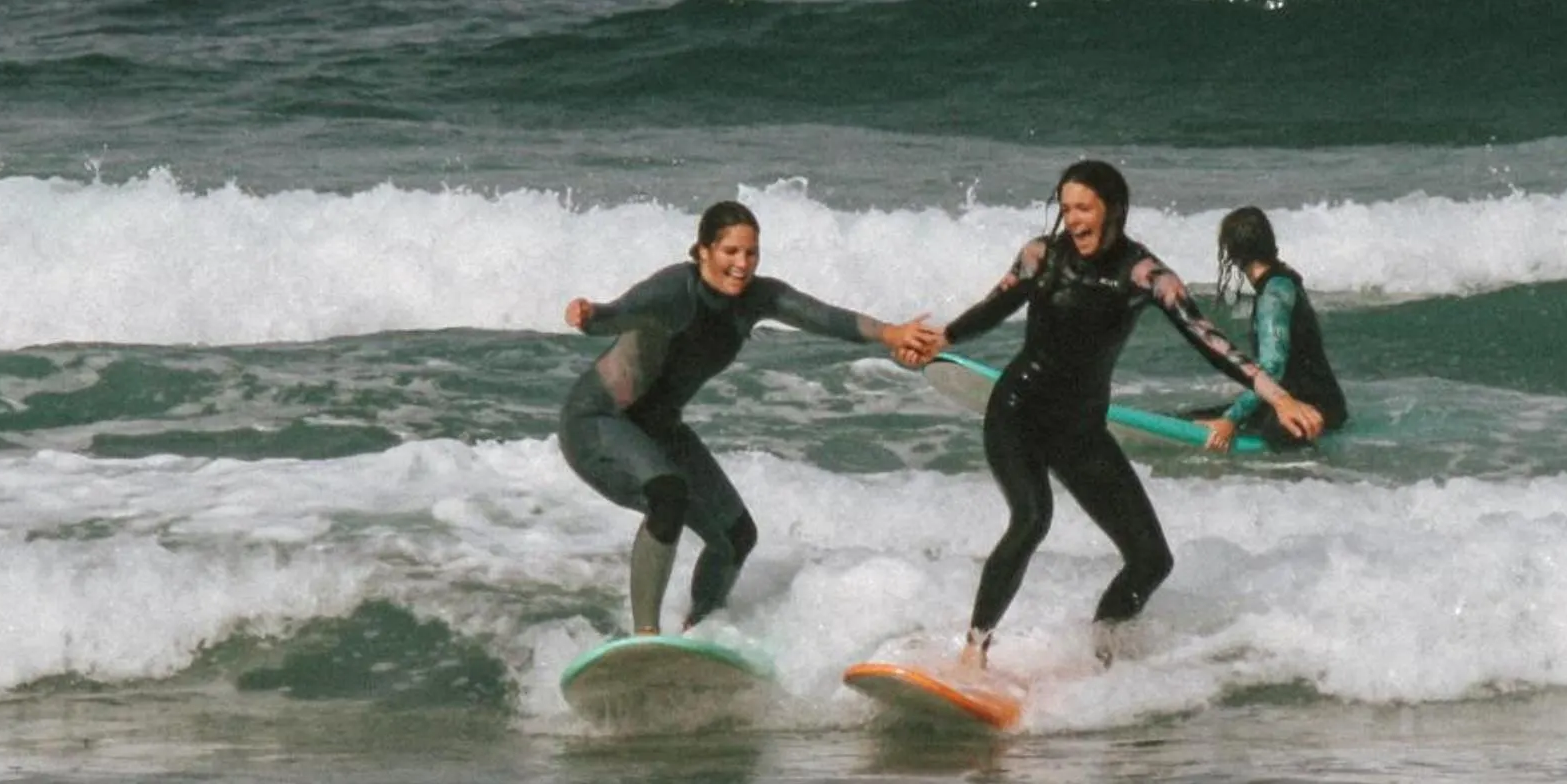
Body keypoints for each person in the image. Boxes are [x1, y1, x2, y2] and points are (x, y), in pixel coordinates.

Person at [933, 160, 1325, 663]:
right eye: (1066, 208)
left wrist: (1278, 396)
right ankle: (975, 648)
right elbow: (991, 309)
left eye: (1084, 208)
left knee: (1150, 559)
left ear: (1114, 210)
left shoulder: (1146, 275)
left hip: (1080, 428)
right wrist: (941, 338)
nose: (1073, 220)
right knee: (1032, 518)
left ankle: (1101, 654)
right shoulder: (1040, 256)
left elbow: (1209, 341)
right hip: (1018, 410)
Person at [562, 201, 938, 635]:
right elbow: (621, 312)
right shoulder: (673, 291)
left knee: (736, 538)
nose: (742, 264)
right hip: (598, 421)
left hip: (659, 429)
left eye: (751, 253)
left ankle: (699, 631)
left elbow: (822, 316)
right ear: (703, 250)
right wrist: (590, 316)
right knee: (669, 496)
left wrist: (891, 334)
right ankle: (644, 637)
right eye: (730, 252)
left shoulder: (756, 298)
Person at [1198, 206, 1349, 454]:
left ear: (1233, 253)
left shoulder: (1273, 295)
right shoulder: (1284, 280)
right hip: (1313, 402)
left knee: (1261, 430)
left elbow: (1272, 367)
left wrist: (1231, 419)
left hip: (1312, 411)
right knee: (1198, 417)